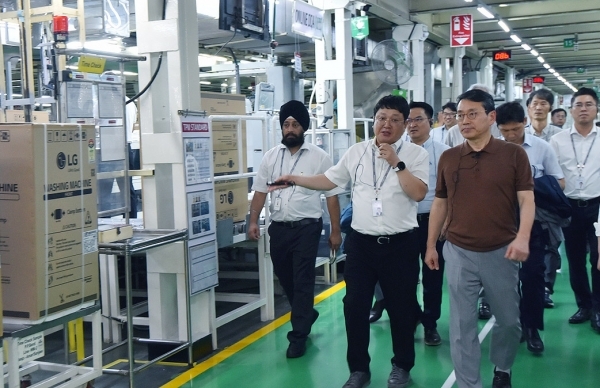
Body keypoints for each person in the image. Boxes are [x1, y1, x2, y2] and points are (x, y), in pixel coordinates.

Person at [272, 95, 429, 388]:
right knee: (354, 307)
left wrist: (397, 162)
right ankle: (358, 369)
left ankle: (401, 366)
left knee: (402, 309)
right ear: (374, 121)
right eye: (382, 118)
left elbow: (418, 193)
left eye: (395, 119)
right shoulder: (356, 152)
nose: (387, 124)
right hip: (361, 245)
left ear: (404, 125)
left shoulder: (416, 155)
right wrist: (295, 178)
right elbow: (329, 180)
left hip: (401, 245)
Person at [425, 89, 534, 388]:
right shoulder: (449, 157)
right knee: (462, 327)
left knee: (510, 321)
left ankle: (503, 367)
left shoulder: (513, 155)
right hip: (459, 250)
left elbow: (526, 200)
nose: (464, 121)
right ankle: (469, 383)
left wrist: (522, 237)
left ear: (491, 117)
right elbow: (440, 203)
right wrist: (431, 244)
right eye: (460, 115)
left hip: (502, 250)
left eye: (472, 114)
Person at [247, 99, 342, 358]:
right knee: (285, 276)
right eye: (286, 124)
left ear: (304, 128)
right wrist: (254, 220)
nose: (290, 128)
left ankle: (298, 335)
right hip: (278, 228)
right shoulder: (270, 157)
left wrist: (336, 230)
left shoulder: (319, 158)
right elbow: (260, 190)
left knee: (302, 280)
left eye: (295, 124)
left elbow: (332, 195)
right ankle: (306, 313)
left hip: (307, 229)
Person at [496, 101, 565, 354]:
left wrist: (530, 187)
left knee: (532, 276)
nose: (511, 135)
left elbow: (560, 182)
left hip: (533, 222)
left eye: (515, 129)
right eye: (505, 130)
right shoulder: (493, 148)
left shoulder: (541, 148)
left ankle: (532, 327)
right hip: (499, 222)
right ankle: (511, 326)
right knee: (505, 279)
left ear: (525, 122)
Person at [549, 87, 600, 333]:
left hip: (597, 206)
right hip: (570, 207)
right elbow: (552, 174)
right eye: (578, 105)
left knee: (598, 259)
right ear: (570, 110)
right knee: (576, 259)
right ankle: (585, 305)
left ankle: (599, 308)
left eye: (588, 104)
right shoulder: (557, 140)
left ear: (596, 109)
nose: (583, 109)